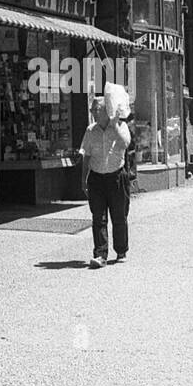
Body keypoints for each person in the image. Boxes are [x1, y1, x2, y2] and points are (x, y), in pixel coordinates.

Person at [78, 95, 131, 268]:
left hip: (116, 176)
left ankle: (121, 251)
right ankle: (100, 254)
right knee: (98, 217)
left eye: (96, 109)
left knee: (119, 216)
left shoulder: (120, 126)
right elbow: (86, 156)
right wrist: (83, 179)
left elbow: (125, 144)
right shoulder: (90, 130)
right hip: (96, 178)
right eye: (92, 110)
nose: (93, 112)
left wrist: (115, 125)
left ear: (106, 111)